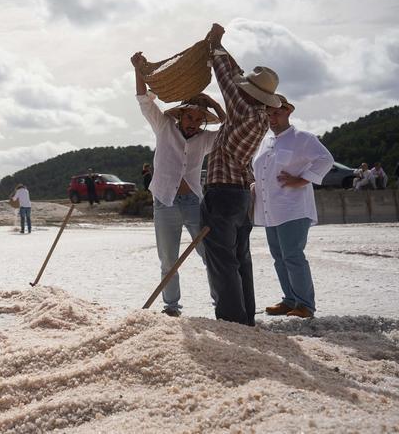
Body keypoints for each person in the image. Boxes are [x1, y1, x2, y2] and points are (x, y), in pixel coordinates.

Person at [132, 51, 226, 317]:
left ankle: (221, 303)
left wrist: (213, 105)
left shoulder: (206, 139)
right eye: (190, 118)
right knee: (168, 259)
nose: (194, 124)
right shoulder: (164, 127)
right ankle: (171, 307)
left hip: (194, 202)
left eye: (199, 120)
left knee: (209, 255)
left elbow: (230, 129)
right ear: (181, 115)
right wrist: (138, 69)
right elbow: (143, 101)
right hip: (164, 202)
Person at [201, 22, 280, 326]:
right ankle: (245, 318)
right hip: (239, 195)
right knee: (240, 259)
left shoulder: (243, 109)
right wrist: (221, 48)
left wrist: (215, 45)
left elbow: (226, 78)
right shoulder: (259, 115)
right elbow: (236, 77)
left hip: (221, 194)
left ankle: (233, 320)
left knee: (222, 259)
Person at [253, 94, 333, 319]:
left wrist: (302, 179)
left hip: (293, 209)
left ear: (288, 111)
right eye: (268, 114)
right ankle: (290, 300)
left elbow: (325, 159)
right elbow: (262, 170)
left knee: (293, 256)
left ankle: (305, 306)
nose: (271, 118)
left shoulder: (302, 138)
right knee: (279, 256)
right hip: (271, 210)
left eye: (276, 113)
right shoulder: (265, 141)